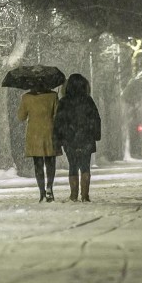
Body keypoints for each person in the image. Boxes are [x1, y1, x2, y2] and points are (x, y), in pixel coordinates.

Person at [53, 73, 101, 202]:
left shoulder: (64, 102)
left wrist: (57, 139)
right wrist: (96, 134)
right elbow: (96, 119)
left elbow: (58, 122)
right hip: (86, 138)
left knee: (73, 166)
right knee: (85, 166)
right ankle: (85, 195)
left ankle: (73, 194)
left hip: (69, 139)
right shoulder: (88, 100)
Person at [18, 86, 62, 202]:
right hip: (49, 132)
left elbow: (21, 117)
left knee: (38, 164)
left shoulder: (26, 97)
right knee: (50, 163)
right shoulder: (52, 96)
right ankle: (49, 188)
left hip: (34, 133)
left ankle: (42, 192)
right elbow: (58, 114)